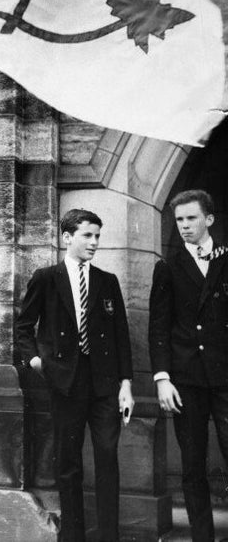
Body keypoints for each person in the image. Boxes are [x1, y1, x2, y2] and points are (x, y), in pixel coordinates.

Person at [15, 208, 134, 542]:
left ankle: (110, 535)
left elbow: (121, 336)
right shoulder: (46, 278)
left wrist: (126, 385)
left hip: (105, 384)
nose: (94, 242)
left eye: (97, 236)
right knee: (68, 463)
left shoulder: (106, 282)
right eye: (87, 235)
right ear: (67, 237)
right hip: (65, 382)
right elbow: (24, 326)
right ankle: (73, 537)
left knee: (107, 457)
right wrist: (36, 362)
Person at [149, 189, 228, 542]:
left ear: (209, 219)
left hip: (225, 376)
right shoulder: (168, 267)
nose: (184, 226)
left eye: (191, 218)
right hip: (185, 379)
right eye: (179, 219)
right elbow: (158, 327)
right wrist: (163, 379)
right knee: (192, 466)